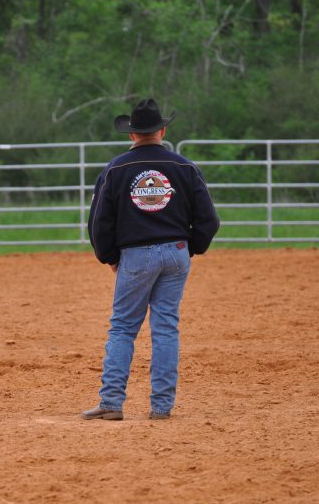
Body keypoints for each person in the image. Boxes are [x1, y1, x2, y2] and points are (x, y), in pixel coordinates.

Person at [82, 98, 219, 421]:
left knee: (123, 328)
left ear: (132, 134)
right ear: (162, 130)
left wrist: (110, 257)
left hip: (136, 254)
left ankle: (112, 401)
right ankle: (161, 406)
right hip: (175, 252)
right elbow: (208, 220)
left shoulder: (116, 169)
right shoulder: (184, 168)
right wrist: (191, 248)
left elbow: (99, 221)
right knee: (166, 328)